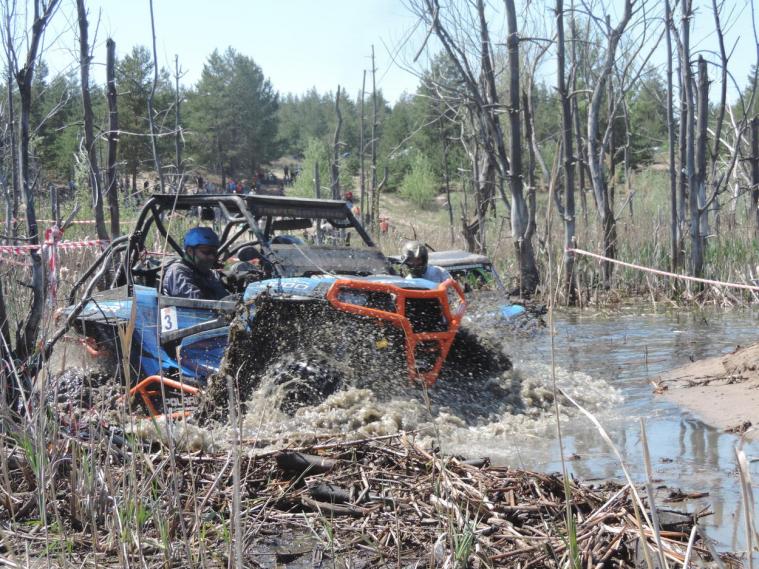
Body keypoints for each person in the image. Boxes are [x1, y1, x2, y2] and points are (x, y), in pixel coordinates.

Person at [162, 227, 229, 300]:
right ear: (190, 251)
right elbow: (197, 303)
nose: (212, 257)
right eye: (206, 252)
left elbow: (224, 298)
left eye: (214, 252)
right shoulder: (177, 272)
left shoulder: (210, 275)